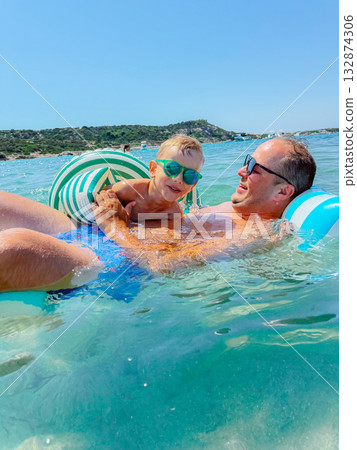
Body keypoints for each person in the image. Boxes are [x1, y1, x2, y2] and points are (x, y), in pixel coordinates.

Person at [0, 137, 315, 291]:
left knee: (13, 248)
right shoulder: (227, 209)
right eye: (247, 160)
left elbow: (162, 265)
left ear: (283, 192)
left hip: (111, 263)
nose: (241, 170)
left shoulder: (260, 232)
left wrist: (113, 226)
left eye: (254, 168)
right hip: (101, 232)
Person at [109, 135, 204, 222]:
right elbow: (100, 197)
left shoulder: (174, 213)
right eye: (172, 168)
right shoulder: (127, 190)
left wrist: (127, 224)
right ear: (153, 169)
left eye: (190, 176)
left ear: (192, 186)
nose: (179, 180)